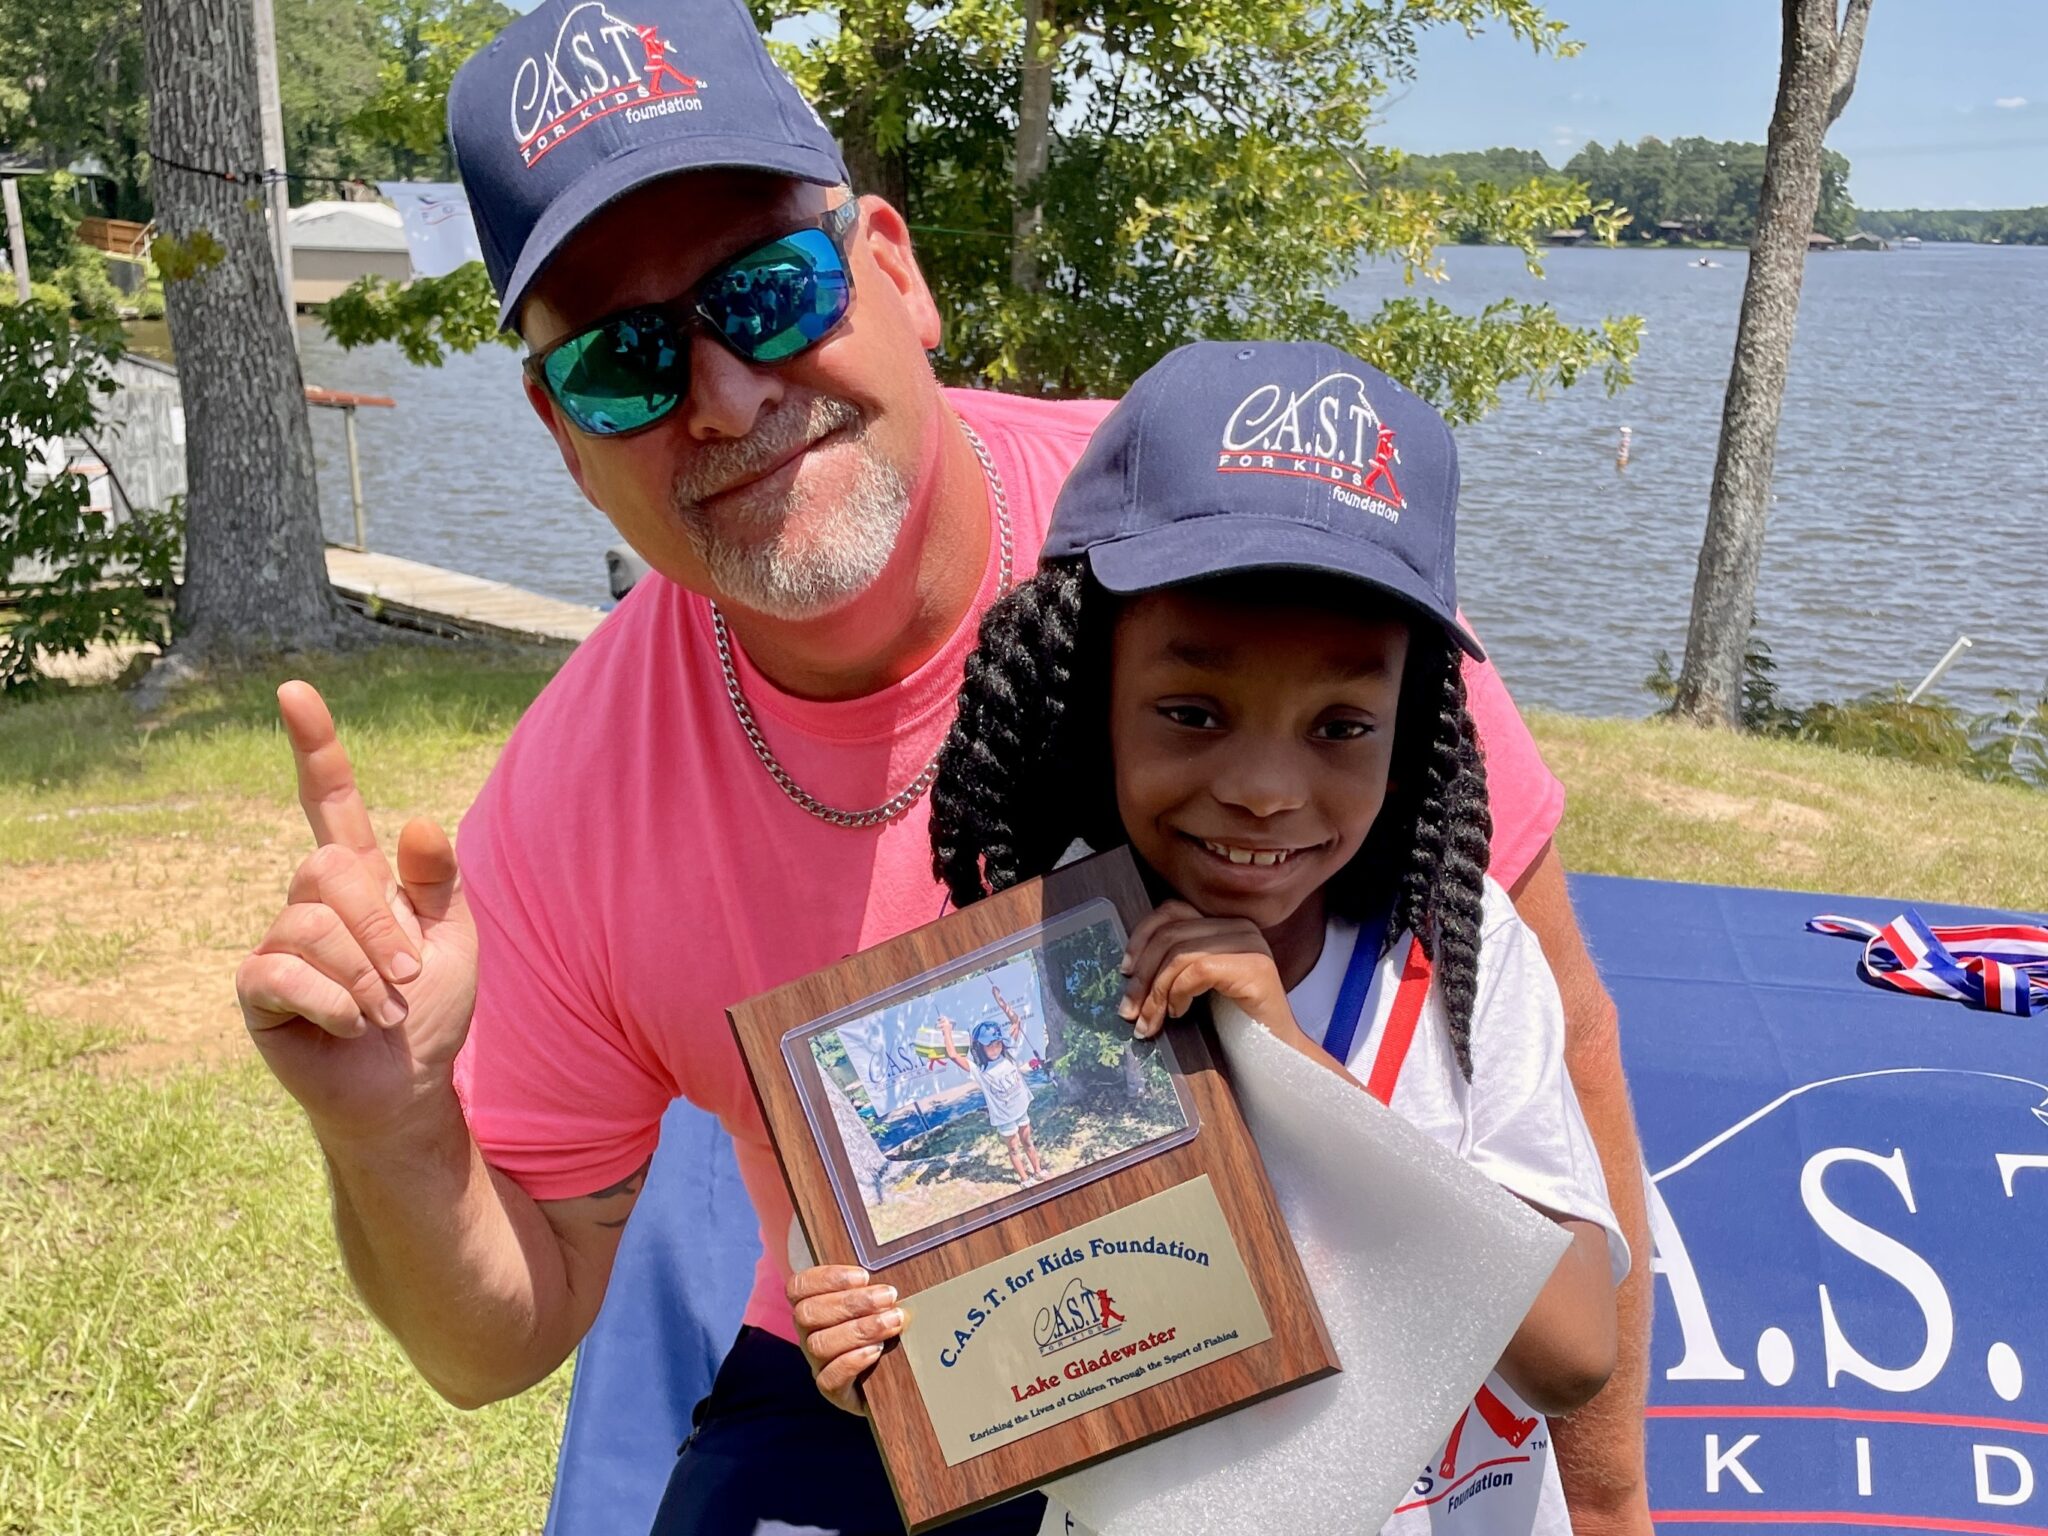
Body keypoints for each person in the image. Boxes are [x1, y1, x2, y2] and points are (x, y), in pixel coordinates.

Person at [230, 1, 1652, 1531]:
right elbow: (493, 1340)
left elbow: (1556, 1032)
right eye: (625, 364)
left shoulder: (1242, 541)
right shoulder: (570, 803)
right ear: (562, 431)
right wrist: (389, 1132)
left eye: (771, 289)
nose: (723, 393)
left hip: (1354, 1362)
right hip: (910, 1380)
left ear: (896, 271)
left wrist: (1618, 1507)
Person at [794, 341, 1627, 1535]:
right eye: (1190, 712)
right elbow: (980, 1363)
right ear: (1091, 698)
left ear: (1413, 724)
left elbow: (1570, 1354)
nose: (1263, 787)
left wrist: (1287, 1065)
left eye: (1342, 723)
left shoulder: (1456, 951)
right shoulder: (1031, 967)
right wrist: (871, 1348)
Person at [937, 993, 1043, 1186]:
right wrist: (946, 1031)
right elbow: (952, 1054)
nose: (995, 1048)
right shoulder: (979, 1070)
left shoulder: (1010, 1054)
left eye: (997, 1043)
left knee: (1028, 1142)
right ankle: (1025, 1179)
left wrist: (1001, 1002)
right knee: (1013, 1150)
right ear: (980, 1048)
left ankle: (1038, 1171)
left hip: (1021, 1110)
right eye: (989, 1046)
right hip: (1004, 1118)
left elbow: (1016, 1021)